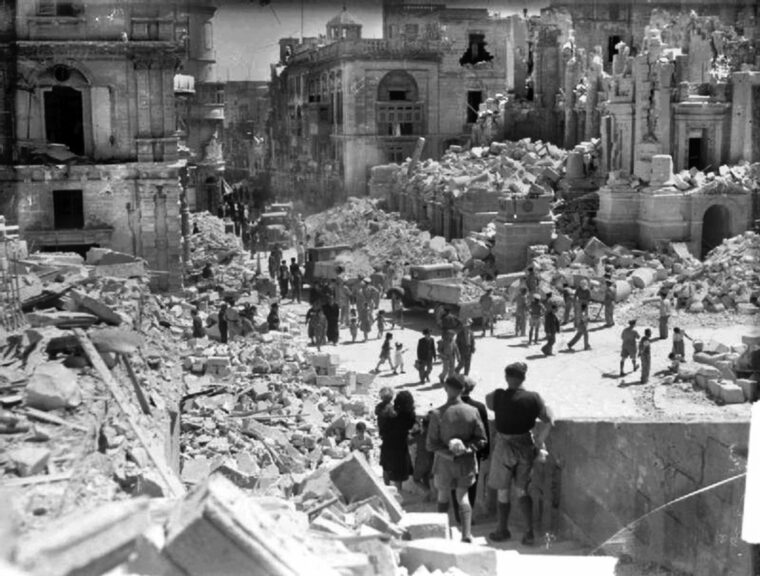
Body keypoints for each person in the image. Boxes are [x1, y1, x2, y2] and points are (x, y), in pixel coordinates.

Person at [486, 362, 554, 545]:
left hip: (504, 446)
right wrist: (539, 441)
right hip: (525, 445)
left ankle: (502, 530)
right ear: (524, 378)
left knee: (503, 489)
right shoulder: (534, 398)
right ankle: (529, 532)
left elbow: (488, 399)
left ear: (507, 377)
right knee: (522, 490)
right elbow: (549, 420)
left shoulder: (498, 396)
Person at [426, 376, 488, 543]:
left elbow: (431, 445)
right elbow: (482, 440)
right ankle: (466, 534)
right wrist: (466, 449)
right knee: (463, 496)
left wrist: (448, 454)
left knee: (443, 496)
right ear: (463, 390)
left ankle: (441, 535)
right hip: (466, 462)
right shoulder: (472, 411)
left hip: (444, 463)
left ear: (445, 388)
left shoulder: (437, 414)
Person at [451, 375, 490, 526]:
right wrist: (486, 450)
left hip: (454, 451)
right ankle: (468, 516)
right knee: (471, 484)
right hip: (474, 451)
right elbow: (485, 432)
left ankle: (457, 515)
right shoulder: (479, 407)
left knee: (455, 484)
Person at [380, 390, 416, 492]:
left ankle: (385, 490)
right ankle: (397, 495)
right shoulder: (409, 415)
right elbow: (412, 428)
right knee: (398, 473)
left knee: (386, 467)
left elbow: (382, 429)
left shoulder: (389, 413)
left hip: (387, 444)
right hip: (400, 446)